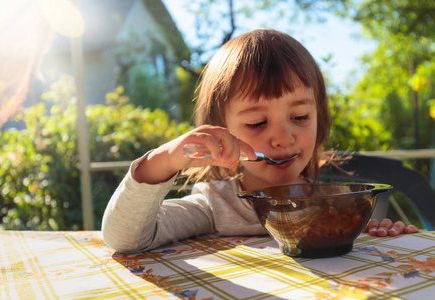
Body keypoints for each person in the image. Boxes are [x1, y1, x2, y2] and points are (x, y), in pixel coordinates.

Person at [102, 29, 418, 253]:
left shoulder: (332, 204)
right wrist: (164, 160)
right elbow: (127, 239)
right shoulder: (215, 207)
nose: (283, 137)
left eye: (300, 117)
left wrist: (379, 237)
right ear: (220, 130)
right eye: (257, 122)